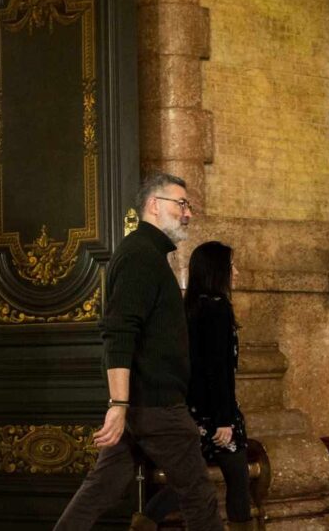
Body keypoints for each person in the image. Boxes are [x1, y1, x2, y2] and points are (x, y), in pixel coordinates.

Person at [53, 173, 223, 531]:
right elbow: (119, 333)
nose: (188, 213)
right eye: (181, 204)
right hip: (157, 406)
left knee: (101, 488)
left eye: (188, 205)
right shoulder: (140, 255)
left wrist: (123, 406)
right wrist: (118, 405)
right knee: (198, 494)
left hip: (142, 405)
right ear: (154, 205)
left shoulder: (147, 254)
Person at [134, 241, 252, 531]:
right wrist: (224, 419)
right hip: (216, 414)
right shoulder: (218, 308)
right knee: (237, 476)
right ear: (217, 271)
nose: (235, 272)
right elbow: (218, 369)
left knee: (190, 480)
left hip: (193, 412)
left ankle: (143, 524)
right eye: (230, 266)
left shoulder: (191, 308)